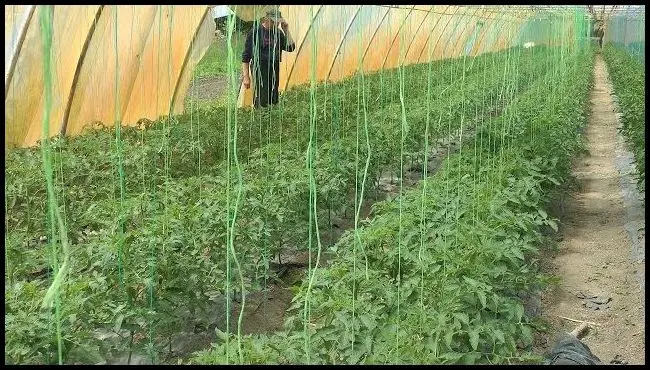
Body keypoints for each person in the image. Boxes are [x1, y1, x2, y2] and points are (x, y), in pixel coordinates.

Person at [241, 9, 296, 108]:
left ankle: (271, 117)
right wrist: (246, 77)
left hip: (274, 67)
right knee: (262, 97)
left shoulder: (278, 33)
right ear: (266, 18)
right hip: (260, 68)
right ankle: (261, 117)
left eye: (277, 22)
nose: (276, 24)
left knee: (273, 96)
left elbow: (291, 47)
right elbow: (246, 57)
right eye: (273, 21)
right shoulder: (255, 32)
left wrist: (286, 30)